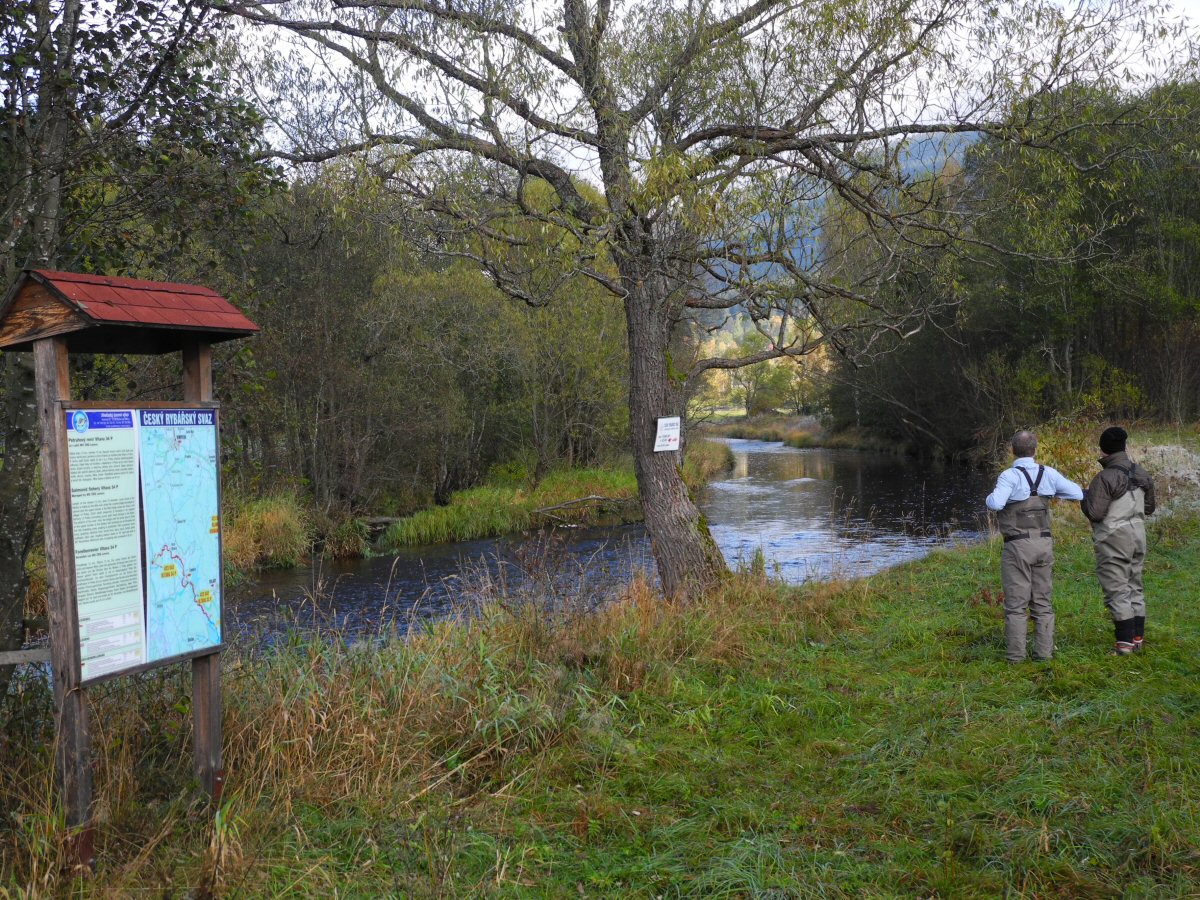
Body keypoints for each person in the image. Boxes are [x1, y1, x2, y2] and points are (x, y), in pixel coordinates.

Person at [986, 430, 1083, 663]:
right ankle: (1043, 655)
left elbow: (995, 503)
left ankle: (1016, 658)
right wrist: (1052, 492)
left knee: (1017, 605)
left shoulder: (1009, 476)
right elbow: (1078, 493)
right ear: (1036, 450)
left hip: (1017, 547)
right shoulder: (1048, 473)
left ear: (1012, 450)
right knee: (1042, 602)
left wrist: (991, 497)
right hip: (1044, 544)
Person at [1080, 426, 1156, 655]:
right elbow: (1150, 508)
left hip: (1114, 537)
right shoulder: (1141, 473)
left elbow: (1095, 513)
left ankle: (1124, 645)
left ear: (1103, 449)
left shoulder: (1105, 477)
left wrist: (1083, 495)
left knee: (1117, 588)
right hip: (1138, 535)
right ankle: (1137, 638)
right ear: (1124, 447)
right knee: (1135, 584)